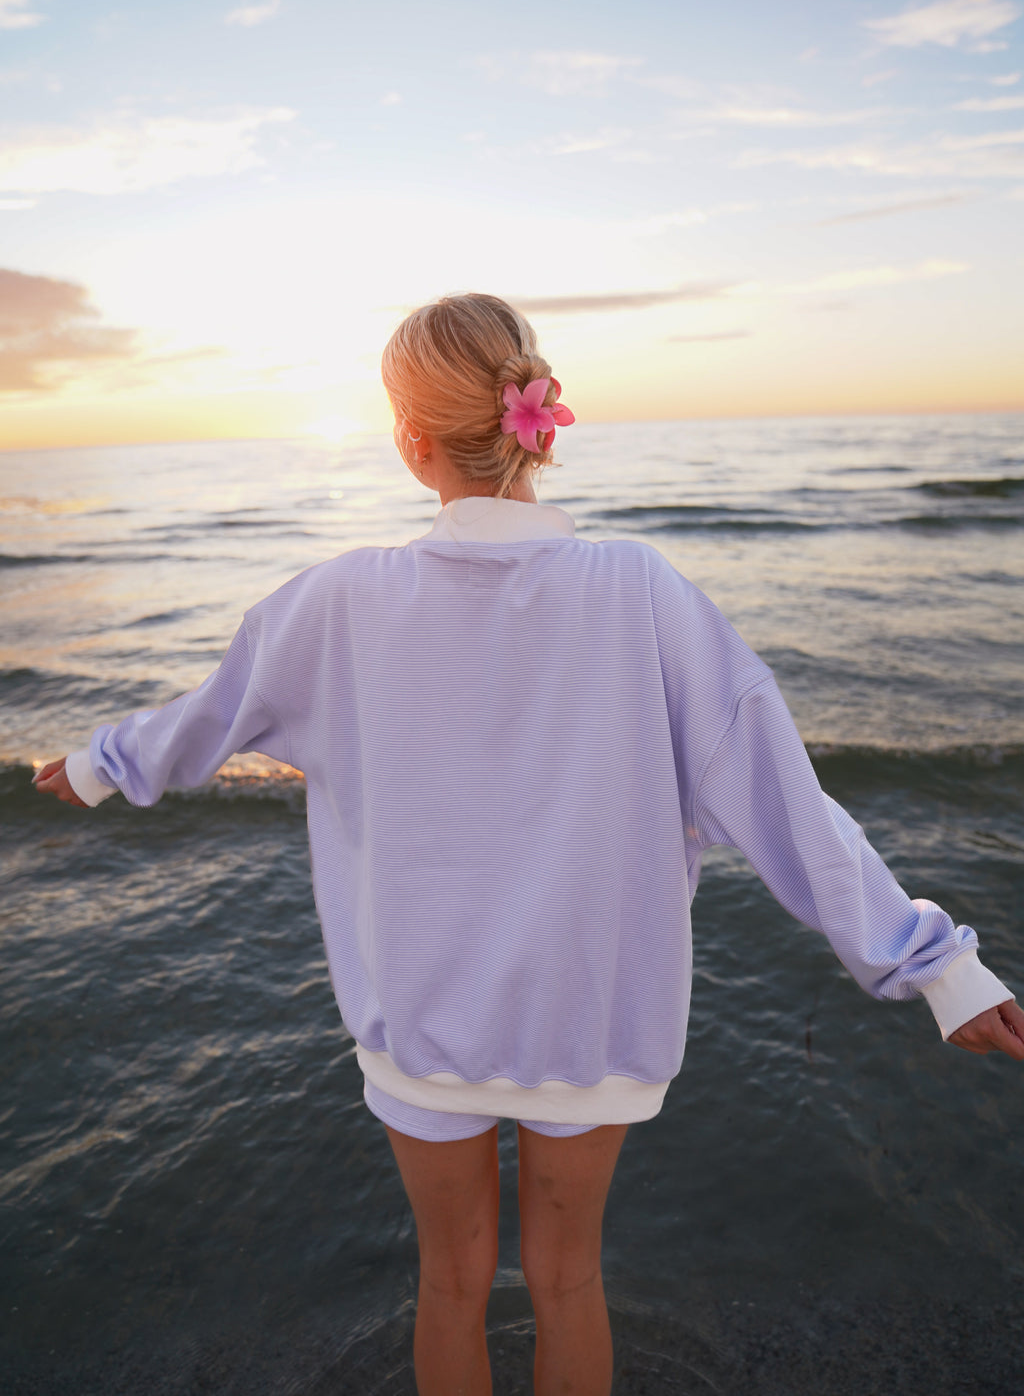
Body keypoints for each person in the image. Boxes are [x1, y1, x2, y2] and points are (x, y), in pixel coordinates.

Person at [34, 292, 1022, 1396]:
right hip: (590, 1015)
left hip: (422, 1008)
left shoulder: (343, 598)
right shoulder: (642, 590)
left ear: (411, 443)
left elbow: (208, 717)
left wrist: (95, 765)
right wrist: (934, 968)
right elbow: (782, 799)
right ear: (533, 424)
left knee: (450, 1285)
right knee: (568, 1282)